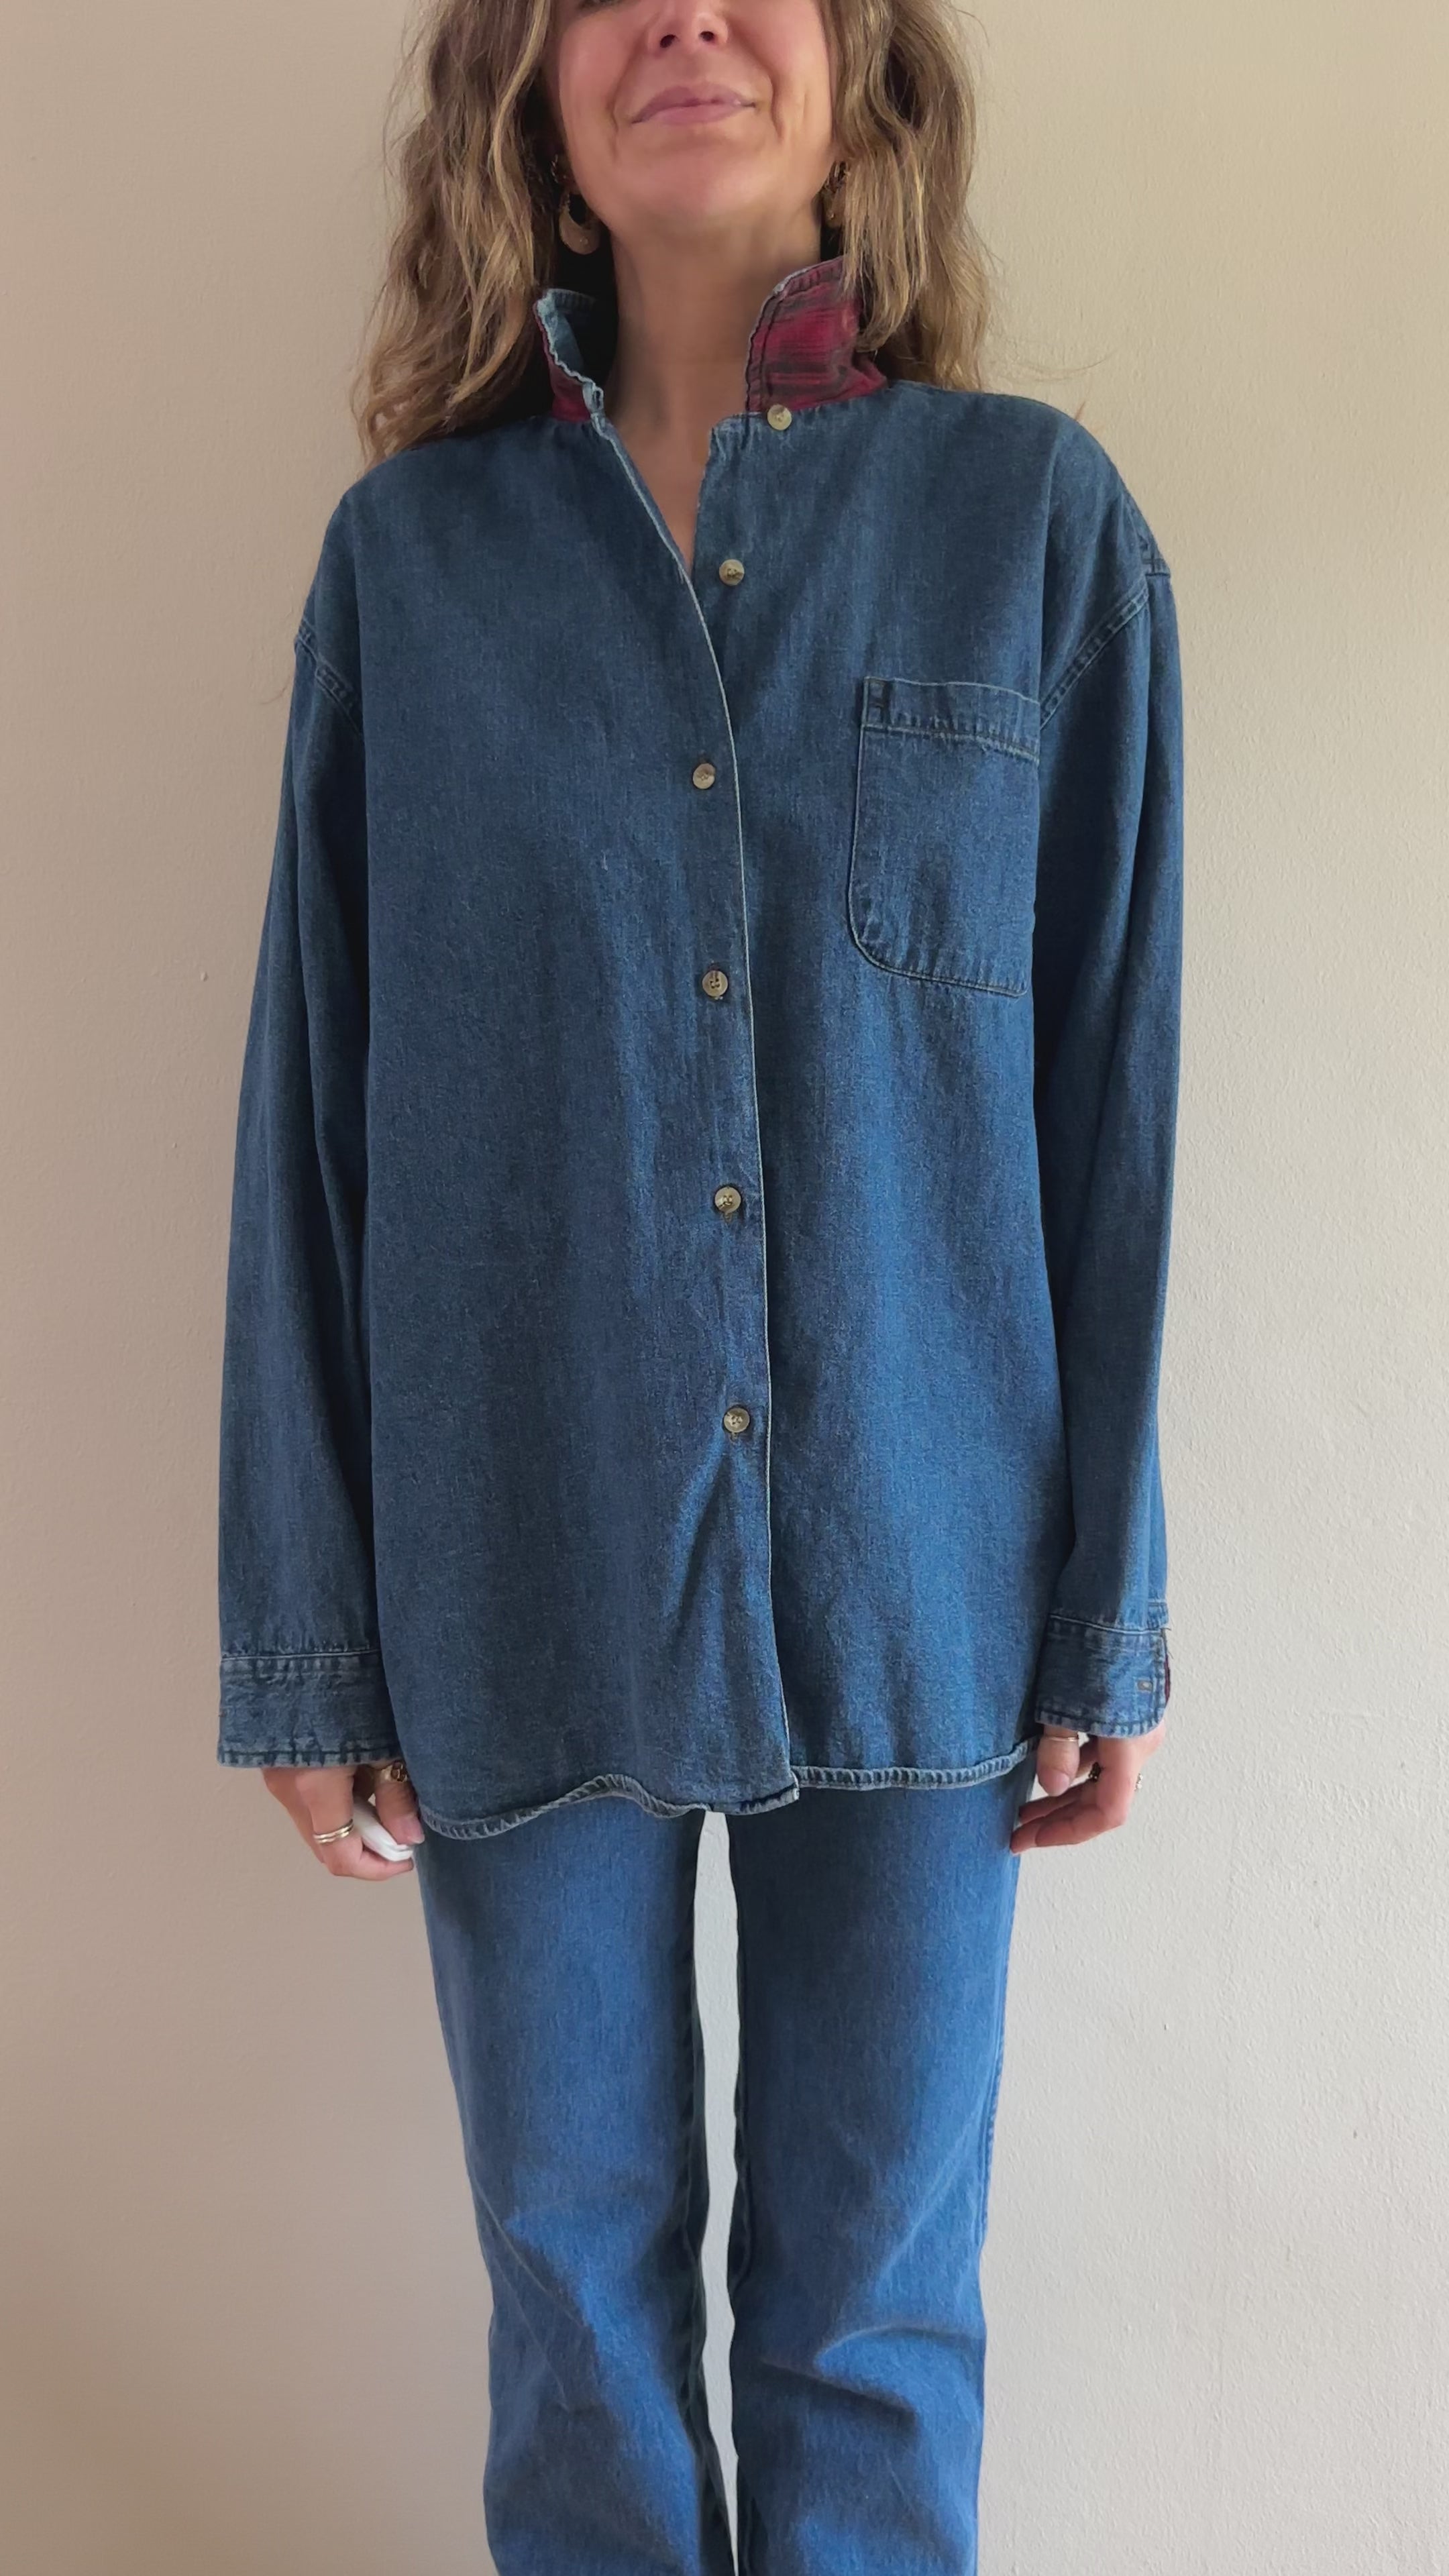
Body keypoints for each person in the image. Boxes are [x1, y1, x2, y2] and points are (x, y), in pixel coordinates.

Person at [215, 0, 1183, 2565]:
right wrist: (306, 1635)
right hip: (516, 1550)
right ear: (532, 97)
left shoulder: (1032, 527)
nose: (686, 17)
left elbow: (1112, 1101)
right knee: (573, 2290)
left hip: (923, 1569)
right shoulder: (410, 573)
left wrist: (1108, 1602)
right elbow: (311, 1116)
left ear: (862, 79)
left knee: (874, 2303)